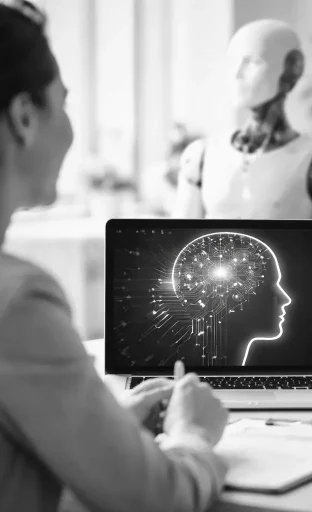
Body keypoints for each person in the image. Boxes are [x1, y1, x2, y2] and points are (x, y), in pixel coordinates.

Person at [0, 3, 230, 511]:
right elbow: (157, 499)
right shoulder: (18, 303)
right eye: (64, 103)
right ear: (24, 116)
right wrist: (193, 434)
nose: (70, 129)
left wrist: (107, 429)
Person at [172, 19, 312, 253]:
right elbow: (177, 249)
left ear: (292, 69)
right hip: (209, 276)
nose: (238, 74)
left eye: (253, 62)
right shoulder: (199, 158)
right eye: (233, 62)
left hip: (286, 277)